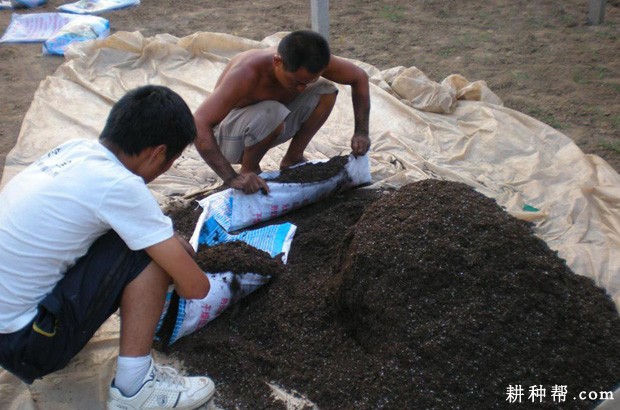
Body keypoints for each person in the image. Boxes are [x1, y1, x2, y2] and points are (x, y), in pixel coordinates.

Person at [0, 85, 215, 409]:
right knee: (141, 253)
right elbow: (196, 288)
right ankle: (135, 389)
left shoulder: (75, 150)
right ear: (157, 153)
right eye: (170, 161)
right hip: (28, 346)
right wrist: (172, 265)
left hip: (7, 329)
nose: (165, 171)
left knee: (129, 238)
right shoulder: (121, 185)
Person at [194, 29, 371, 194]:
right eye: (296, 82)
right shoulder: (247, 73)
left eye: (307, 82)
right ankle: (249, 170)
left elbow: (359, 77)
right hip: (228, 138)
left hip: (267, 122)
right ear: (277, 62)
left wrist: (361, 132)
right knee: (273, 111)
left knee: (325, 90)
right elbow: (198, 123)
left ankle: (293, 159)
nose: (302, 89)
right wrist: (231, 178)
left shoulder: (312, 60)